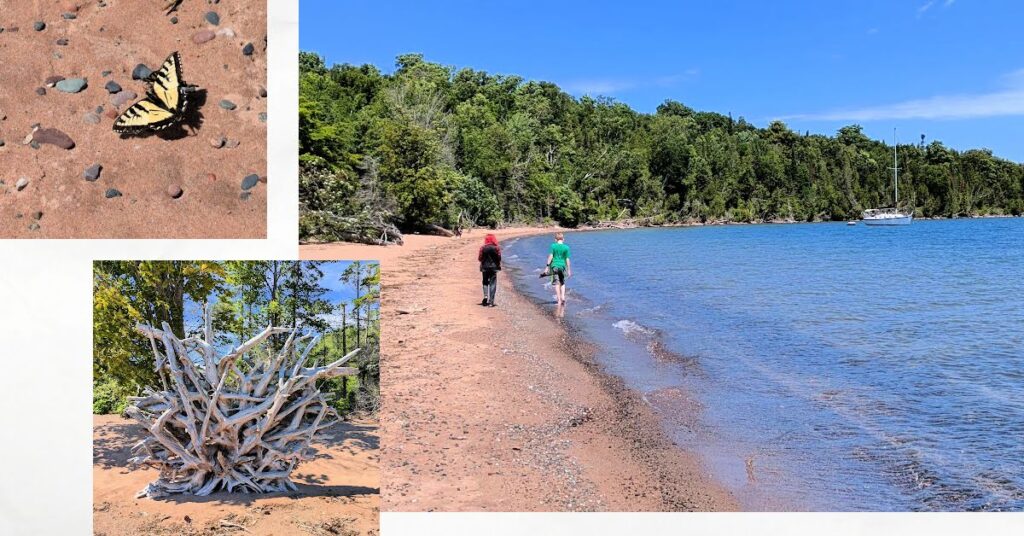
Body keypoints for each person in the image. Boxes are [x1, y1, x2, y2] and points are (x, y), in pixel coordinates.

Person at [546, 232, 572, 305]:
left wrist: (547, 266)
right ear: (563, 239)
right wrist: (569, 269)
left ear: (555, 239)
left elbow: (550, 256)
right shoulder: (566, 247)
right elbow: (567, 259)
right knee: (562, 282)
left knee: (557, 284)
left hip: (555, 266)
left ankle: (559, 300)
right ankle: (563, 296)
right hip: (562, 266)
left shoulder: (553, 246)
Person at [478, 233, 501, 307]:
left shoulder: (483, 248)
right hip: (494, 268)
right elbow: (499, 258)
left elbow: (480, 258)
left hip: (484, 267)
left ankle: (485, 296)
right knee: (493, 284)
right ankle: (491, 302)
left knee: (485, 282)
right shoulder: (496, 248)